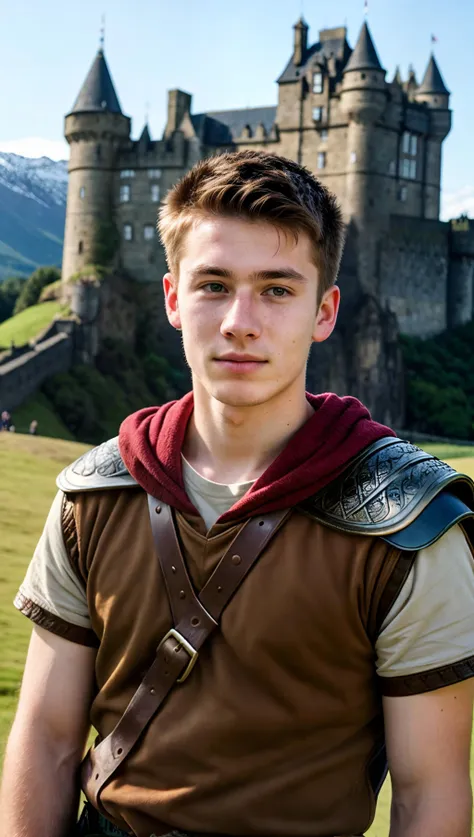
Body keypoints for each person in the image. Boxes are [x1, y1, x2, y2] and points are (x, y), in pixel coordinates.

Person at [1, 150, 474, 837]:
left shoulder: (410, 526)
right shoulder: (94, 496)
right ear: (172, 298)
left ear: (325, 310)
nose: (239, 321)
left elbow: (430, 795)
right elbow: (44, 736)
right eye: (214, 285)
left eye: (277, 289)